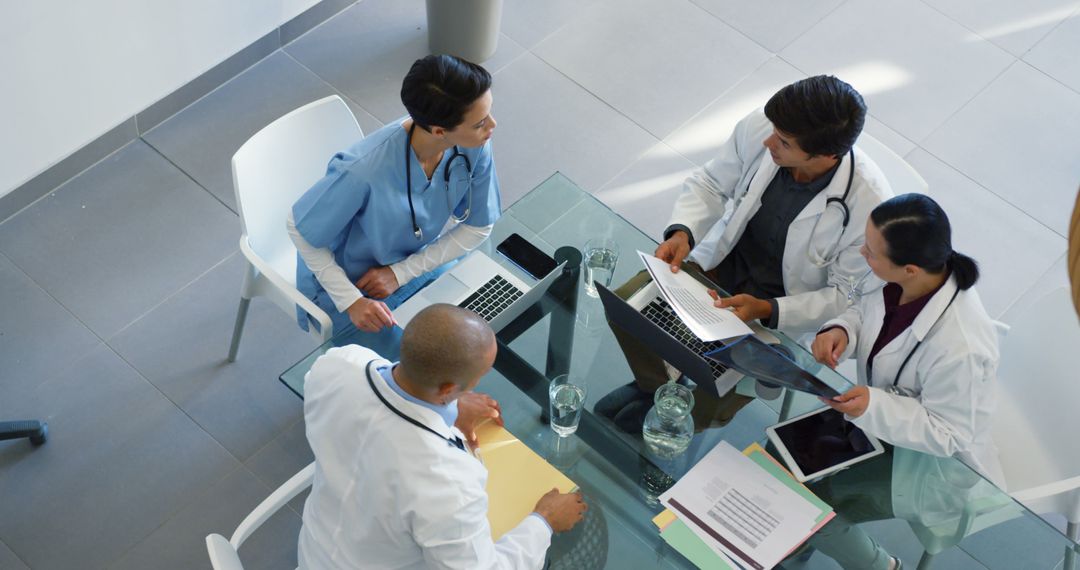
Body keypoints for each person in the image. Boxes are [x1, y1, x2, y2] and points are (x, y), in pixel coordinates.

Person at [600, 75, 892, 432]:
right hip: (718, 270)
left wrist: (768, 310)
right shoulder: (763, 129)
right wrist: (683, 231)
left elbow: (846, 298)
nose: (769, 141)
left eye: (783, 142)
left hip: (779, 316)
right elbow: (711, 183)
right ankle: (657, 389)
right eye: (773, 130)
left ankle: (677, 423)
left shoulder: (868, 207)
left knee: (714, 397)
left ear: (826, 156)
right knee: (626, 304)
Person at [298, 304, 587, 569]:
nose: (477, 383)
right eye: (479, 377)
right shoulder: (446, 482)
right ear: (447, 389)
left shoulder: (338, 364)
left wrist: (445, 408)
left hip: (315, 550)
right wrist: (544, 522)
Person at [805, 193, 1004, 570]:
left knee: (810, 507)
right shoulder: (898, 277)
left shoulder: (961, 345)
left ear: (910, 268)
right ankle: (784, 550)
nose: (863, 252)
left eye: (872, 252)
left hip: (930, 466)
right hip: (876, 425)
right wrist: (842, 330)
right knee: (777, 459)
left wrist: (873, 406)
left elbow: (950, 435)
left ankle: (883, 567)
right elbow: (863, 310)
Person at [288, 54, 501, 335]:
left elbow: (479, 226)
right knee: (422, 363)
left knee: (484, 327)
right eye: (480, 122)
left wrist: (400, 273)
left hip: (413, 265)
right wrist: (350, 301)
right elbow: (300, 229)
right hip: (354, 288)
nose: (492, 126)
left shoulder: (473, 143)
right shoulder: (362, 171)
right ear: (439, 131)